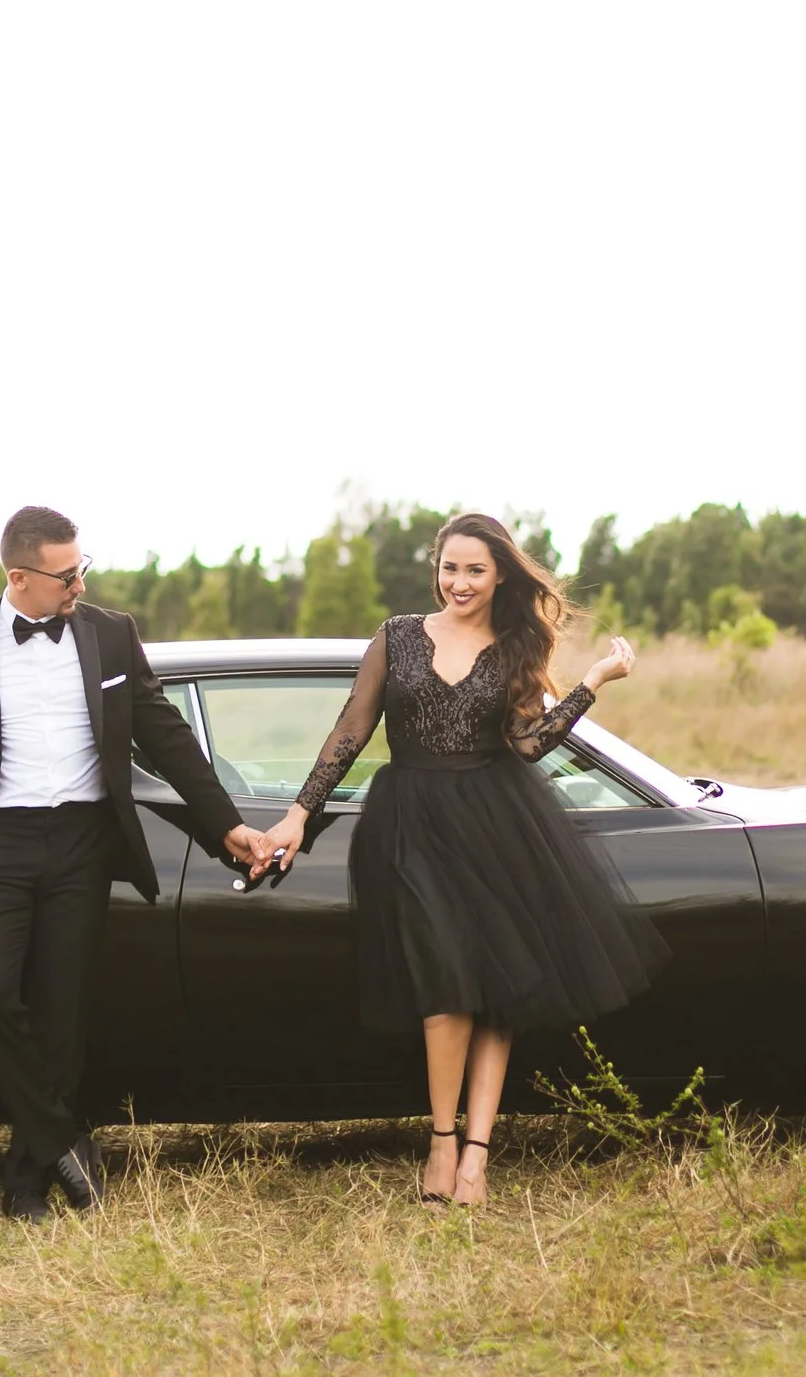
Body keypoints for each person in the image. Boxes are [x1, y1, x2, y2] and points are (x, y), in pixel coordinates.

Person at [250, 512, 666, 1206]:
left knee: (497, 989)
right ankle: (441, 1142)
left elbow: (528, 745)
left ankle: (477, 1155)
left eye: (475, 569)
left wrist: (592, 682)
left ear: (500, 574)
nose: (460, 582)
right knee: (444, 983)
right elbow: (353, 726)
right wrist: (299, 811)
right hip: (410, 819)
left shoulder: (515, 646)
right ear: (436, 568)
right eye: (450, 567)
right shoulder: (397, 635)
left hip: (494, 821)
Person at [0, 505, 264, 1220]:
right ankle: (63, 1136)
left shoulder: (112, 634)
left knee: (62, 1013)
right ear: (19, 577)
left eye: (81, 568)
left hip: (84, 842)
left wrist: (228, 825)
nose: (80, 586)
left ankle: (25, 1182)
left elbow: (166, 734)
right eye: (67, 575)